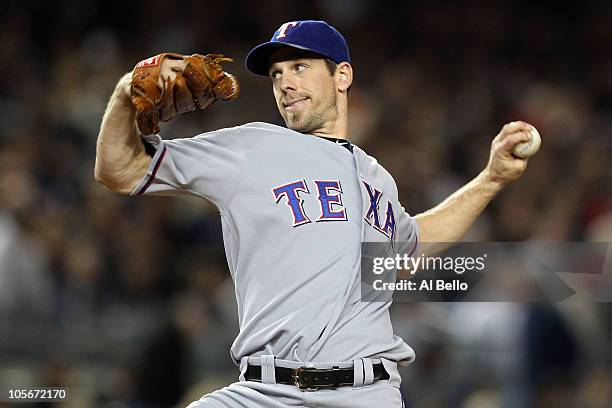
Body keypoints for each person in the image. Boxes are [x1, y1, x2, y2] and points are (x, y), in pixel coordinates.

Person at [95, 20, 532, 408]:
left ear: (342, 75)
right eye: (276, 73)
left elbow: (408, 251)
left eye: (300, 66)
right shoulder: (252, 148)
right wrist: (122, 93)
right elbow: (120, 169)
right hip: (264, 391)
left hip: (364, 392)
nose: (285, 82)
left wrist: (491, 179)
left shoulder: (377, 177)